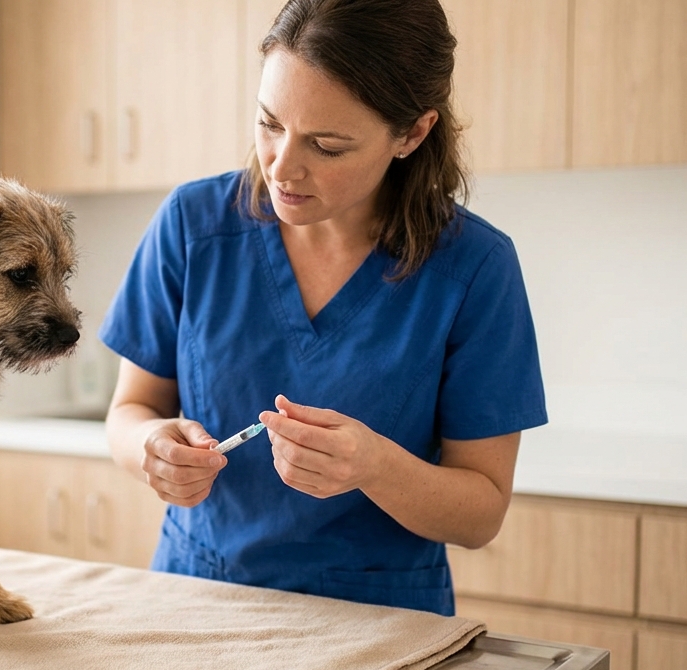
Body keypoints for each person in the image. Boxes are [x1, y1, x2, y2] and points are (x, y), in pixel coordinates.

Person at [97, 0, 546, 616]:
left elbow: (481, 514)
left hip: (380, 623)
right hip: (198, 599)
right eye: (268, 123)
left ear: (411, 134)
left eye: (327, 145)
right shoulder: (193, 226)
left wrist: (375, 466)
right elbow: (130, 409)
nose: (281, 166)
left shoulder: (474, 269)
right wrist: (150, 445)